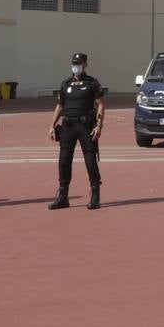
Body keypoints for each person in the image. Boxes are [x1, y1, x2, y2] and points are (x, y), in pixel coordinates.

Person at [47, 52, 105, 210]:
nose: (76, 66)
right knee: (64, 161)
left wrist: (99, 125)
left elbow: (100, 104)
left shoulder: (92, 83)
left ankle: (95, 195)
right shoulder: (65, 84)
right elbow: (60, 105)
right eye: (74, 63)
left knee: (90, 161)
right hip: (67, 126)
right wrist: (52, 125)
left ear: (85, 65)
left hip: (86, 127)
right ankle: (63, 197)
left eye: (79, 64)